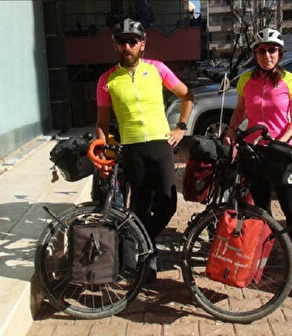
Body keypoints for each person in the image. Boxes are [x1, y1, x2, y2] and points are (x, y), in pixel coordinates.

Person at [95, 18, 193, 282]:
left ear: (142, 45)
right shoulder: (107, 80)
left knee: (168, 203)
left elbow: (187, 96)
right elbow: (102, 124)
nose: (127, 46)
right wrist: (101, 154)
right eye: (121, 42)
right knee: (139, 207)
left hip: (160, 146)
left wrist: (181, 127)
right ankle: (146, 259)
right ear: (115, 46)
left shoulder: (157, 69)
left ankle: (141, 243)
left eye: (132, 41)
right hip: (132, 150)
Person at [223, 27, 292, 283]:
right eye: (262, 50)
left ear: (279, 52)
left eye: (272, 50)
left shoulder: (290, 80)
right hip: (255, 152)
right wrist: (231, 131)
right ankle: (269, 253)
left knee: (291, 209)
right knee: (261, 208)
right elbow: (240, 111)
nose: (267, 55)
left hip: (283, 154)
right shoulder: (245, 80)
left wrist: (280, 141)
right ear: (256, 54)